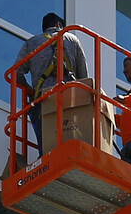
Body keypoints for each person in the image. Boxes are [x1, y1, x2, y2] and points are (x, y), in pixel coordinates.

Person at [14, 13, 90, 160]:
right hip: (70, 101)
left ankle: (45, 158)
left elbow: (16, 73)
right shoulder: (72, 40)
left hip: (43, 100)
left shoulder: (32, 42)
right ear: (58, 25)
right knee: (70, 142)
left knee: (47, 147)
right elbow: (83, 78)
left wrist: (30, 91)